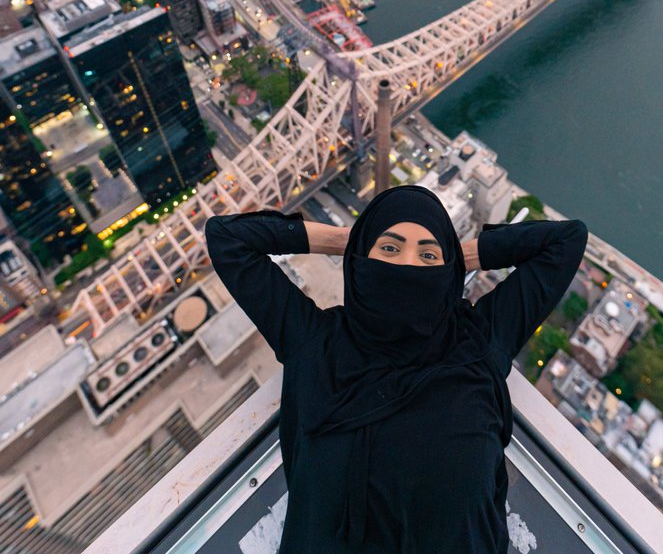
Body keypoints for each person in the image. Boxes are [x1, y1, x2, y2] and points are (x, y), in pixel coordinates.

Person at [206, 185, 587, 553]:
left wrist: (462, 254)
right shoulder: (313, 342)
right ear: (359, 261)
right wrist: (346, 240)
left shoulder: (479, 342)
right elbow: (228, 238)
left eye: (427, 256)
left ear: (447, 271)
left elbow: (567, 240)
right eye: (388, 248)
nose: (408, 265)